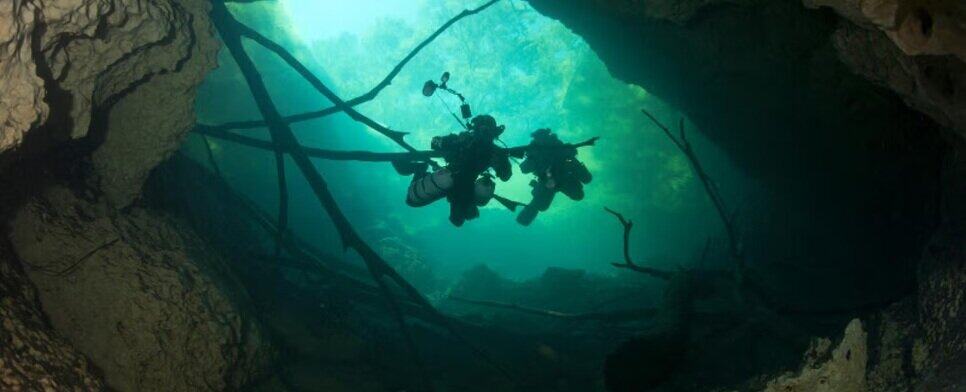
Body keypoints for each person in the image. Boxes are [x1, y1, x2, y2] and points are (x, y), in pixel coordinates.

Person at [396, 115, 512, 226]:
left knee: (473, 200)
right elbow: (434, 142)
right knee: (413, 200)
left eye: (488, 131)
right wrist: (453, 142)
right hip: (450, 177)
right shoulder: (464, 141)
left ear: (494, 133)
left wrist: (500, 163)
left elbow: (505, 176)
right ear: (476, 128)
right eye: (483, 129)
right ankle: (419, 170)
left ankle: (419, 170)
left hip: (464, 183)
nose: (484, 134)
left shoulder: (495, 153)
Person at [516, 128, 592, 226]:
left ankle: (526, 215)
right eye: (539, 138)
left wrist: (569, 160)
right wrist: (533, 157)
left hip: (562, 177)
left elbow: (572, 155)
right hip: (549, 180)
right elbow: (525, 169)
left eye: (542, 137)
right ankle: (525, 216)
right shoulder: (535, 151)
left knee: (581, 191)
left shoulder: (557, 146)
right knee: (541, 205)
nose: (541, 140)